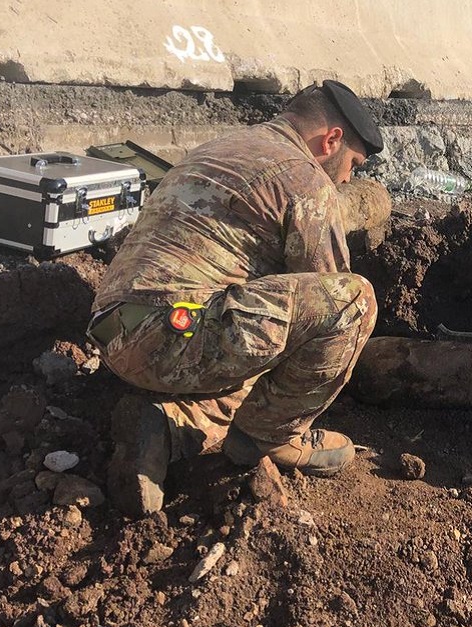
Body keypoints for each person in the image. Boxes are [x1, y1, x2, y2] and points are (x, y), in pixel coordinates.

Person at [86, 80, 389, 517]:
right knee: (351, 302)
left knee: (256, 350)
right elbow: (329, 290)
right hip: (176, 337)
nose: (346, 178)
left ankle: (168, 431)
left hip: (115, 330)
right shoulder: (306, 181)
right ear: (332, 140)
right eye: (353, 165)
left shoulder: (223, 146)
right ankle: (271, 437)